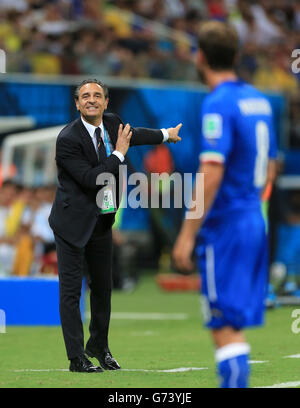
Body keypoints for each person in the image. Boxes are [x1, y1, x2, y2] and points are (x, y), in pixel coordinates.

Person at [48, 78, 182, 373]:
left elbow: (134, 135)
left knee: (103, 288)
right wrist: (119, 154)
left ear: (106, 102)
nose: (92, 100)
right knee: (71, 292)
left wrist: (165, 135)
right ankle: (76, 357)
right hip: (72, 223)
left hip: (102, 219)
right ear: (77, 104)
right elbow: (91, 178)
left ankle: (99, 345)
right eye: (85, 96)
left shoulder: (113, 123)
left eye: (97, 95)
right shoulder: (68, 139)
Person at [172, 21, 277, 388]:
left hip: (227, 228)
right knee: (233, 326)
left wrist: (187, 235)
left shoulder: (218, 103)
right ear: (236, 55)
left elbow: (212, 171)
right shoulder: (259, 100)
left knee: (224, 329)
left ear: (200, 57)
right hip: (253, 221)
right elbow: (272, 166)